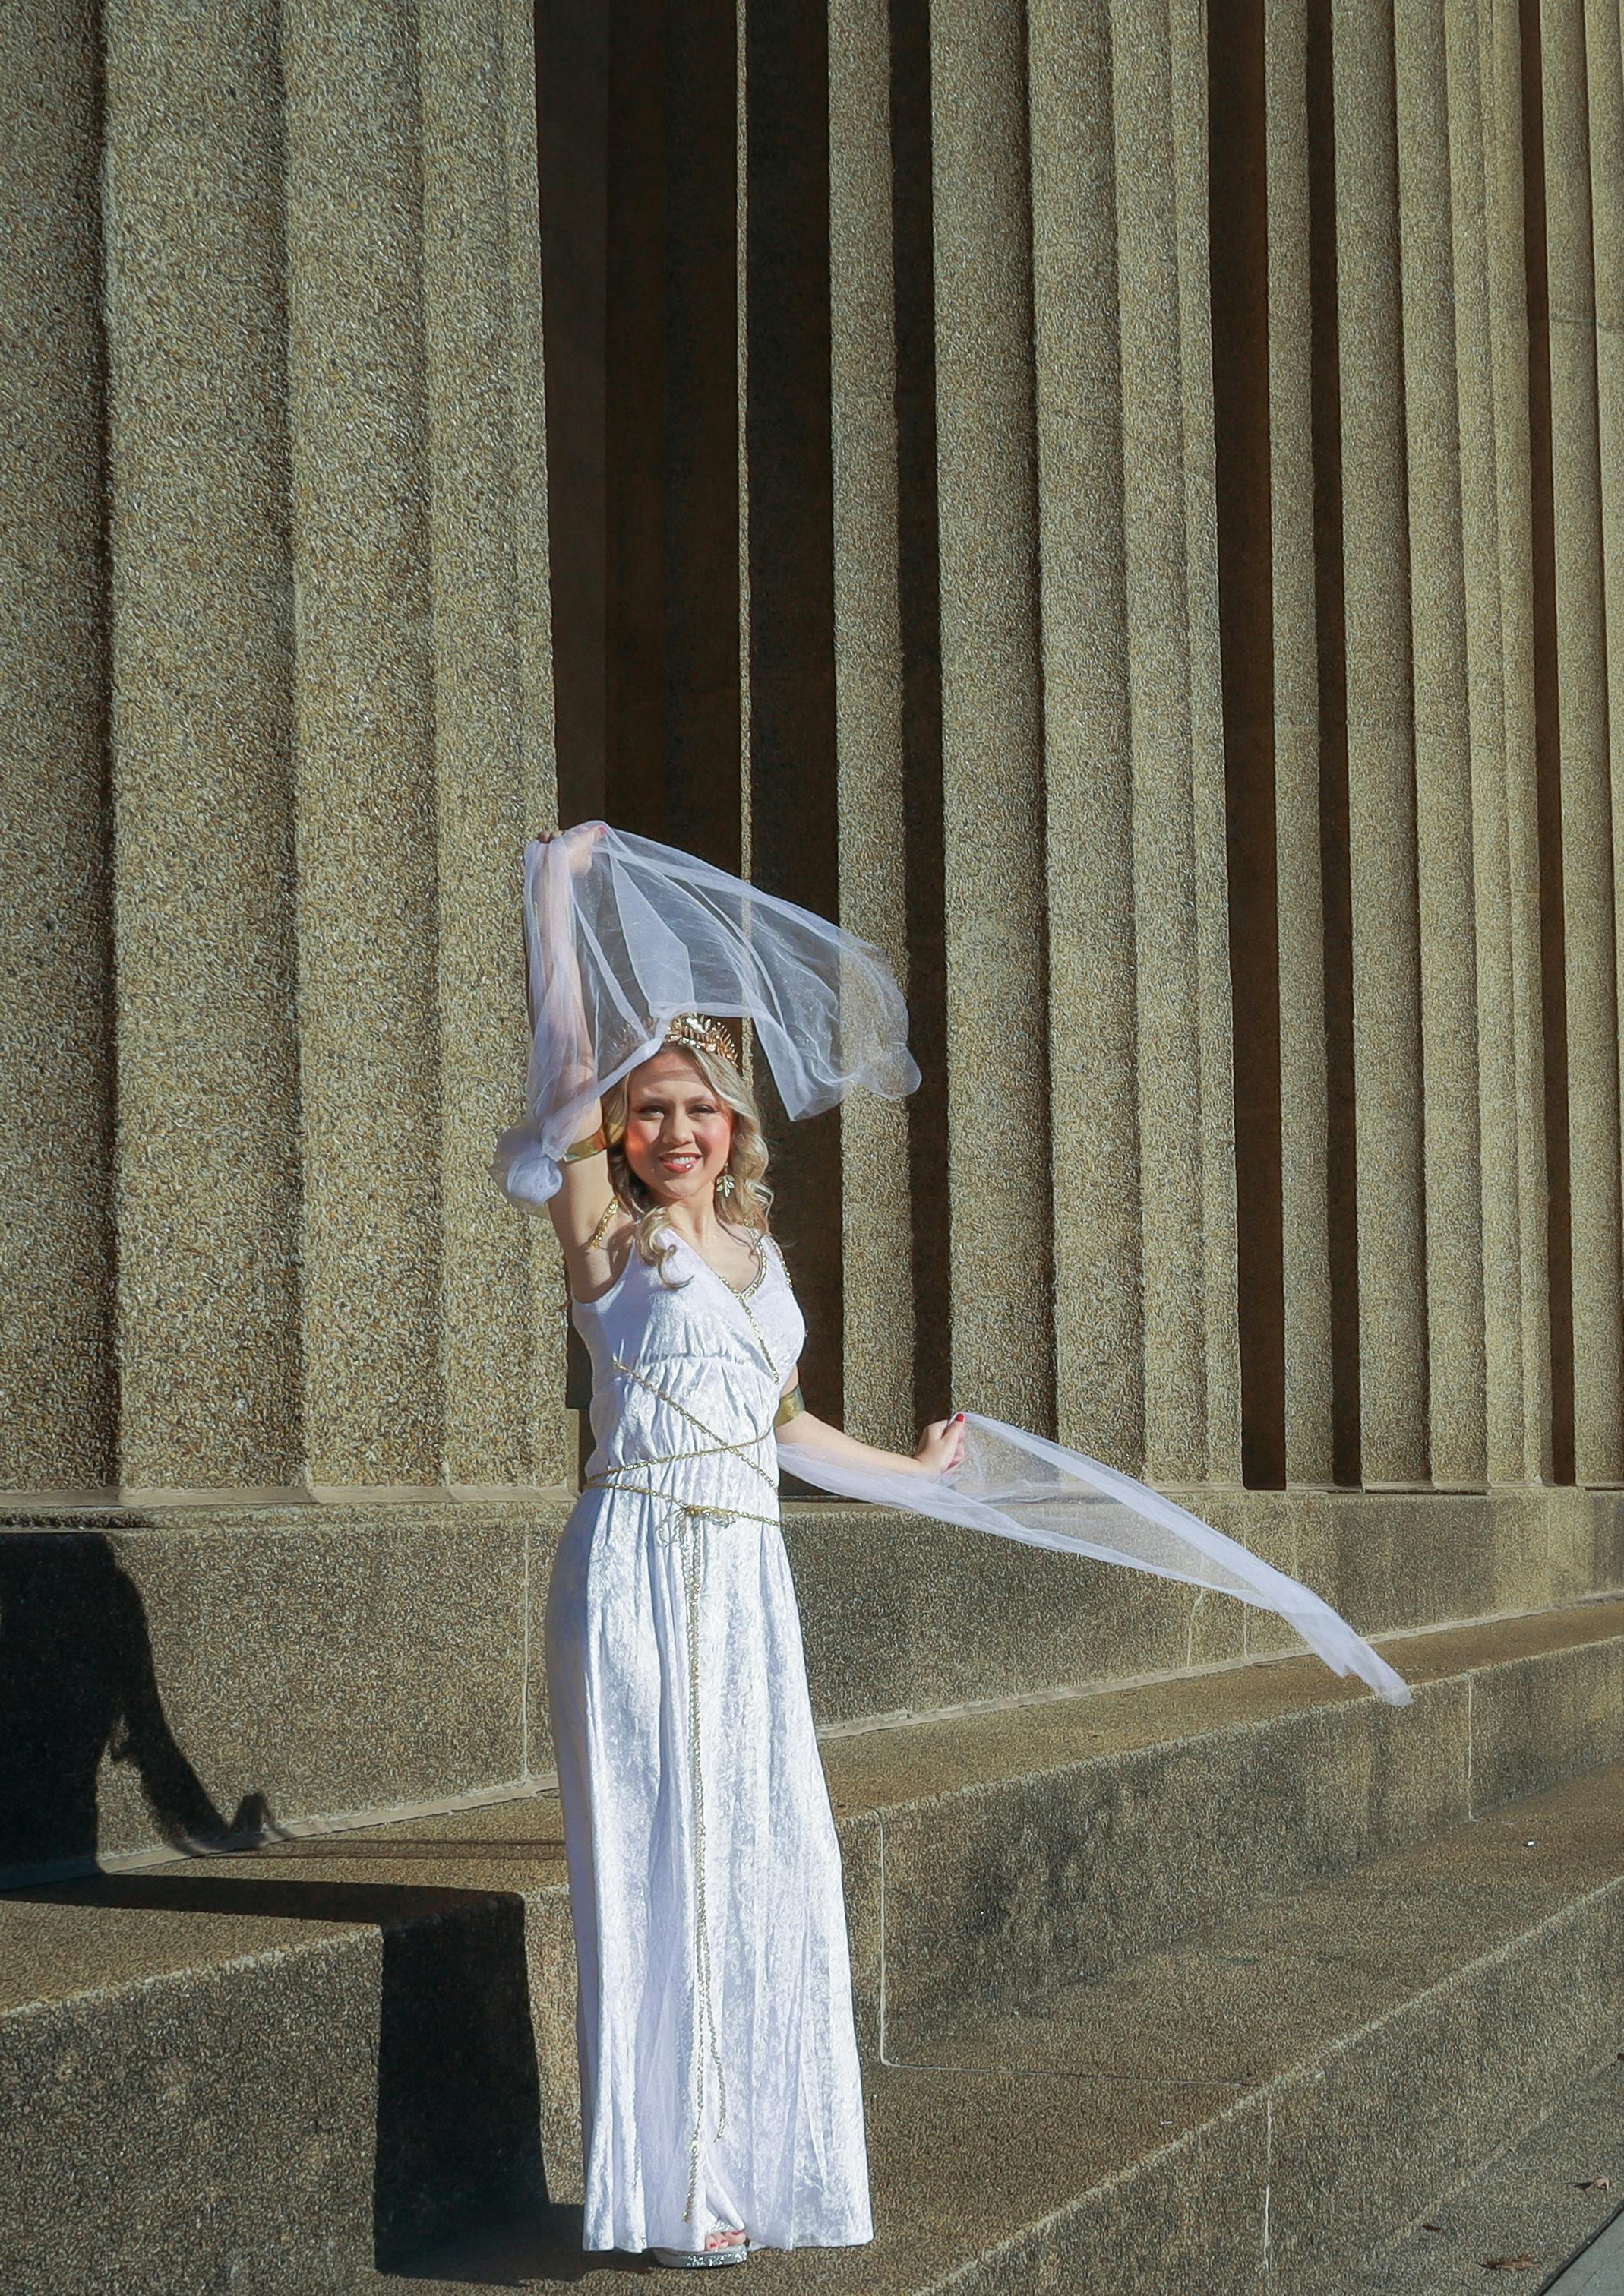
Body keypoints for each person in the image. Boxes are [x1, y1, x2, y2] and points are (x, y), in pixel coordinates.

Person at [505, 823, 1407, 2269]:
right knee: (655, 1861)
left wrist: (918, 1475)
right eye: (651, 1109)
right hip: (634, 1565)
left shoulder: (759, 1260)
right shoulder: (608, 1237)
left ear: (737, 1123)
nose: (676, 1131)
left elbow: (788, 1430)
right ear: (620, 1129)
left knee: (759, 1854)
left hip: (744, 1575)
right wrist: (557, 895)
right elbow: (558, 1063)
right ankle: (669, 2186)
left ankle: (745, 2161)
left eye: (700, 1109)